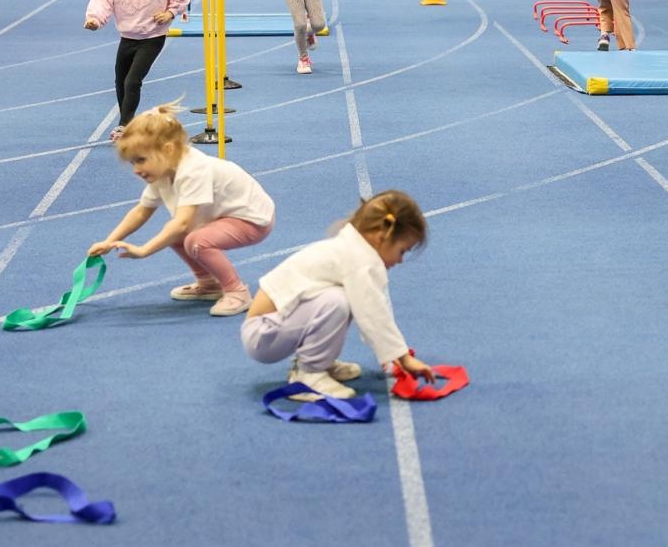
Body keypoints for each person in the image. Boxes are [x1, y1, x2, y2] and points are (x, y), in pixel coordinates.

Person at [241, 190, 437, 401]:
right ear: (383, 237)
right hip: (263, 334)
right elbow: (372, 314)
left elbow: (370, 311)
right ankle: (309, 375)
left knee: (342, 297)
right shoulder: (359, 261)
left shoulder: (350, 249)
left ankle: (317, 363)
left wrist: (394, 353)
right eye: (402, 251)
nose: (400, 261)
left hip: (269, 329)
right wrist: (403, 358)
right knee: (337, 302)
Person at [89, 102, 275, 317]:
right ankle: (208, 283)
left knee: (193, 239)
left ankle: (237, 291)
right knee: (175, 235)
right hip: (223, 215)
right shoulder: (162, 169)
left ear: (167, 150)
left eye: (140, 160)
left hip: (251, 219)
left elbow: (183, 223)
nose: (137, 170)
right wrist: (109, 241)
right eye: (132, 163)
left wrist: (144, 250)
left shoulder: (193, 170)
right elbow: (141, 211)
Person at [84, 0, 191, 142]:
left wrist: (170, 13)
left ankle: (124, 125)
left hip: (152, 37)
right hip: (128, 36)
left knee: (133, 81)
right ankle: (129, 122)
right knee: (120, 80)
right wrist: (95, 18)